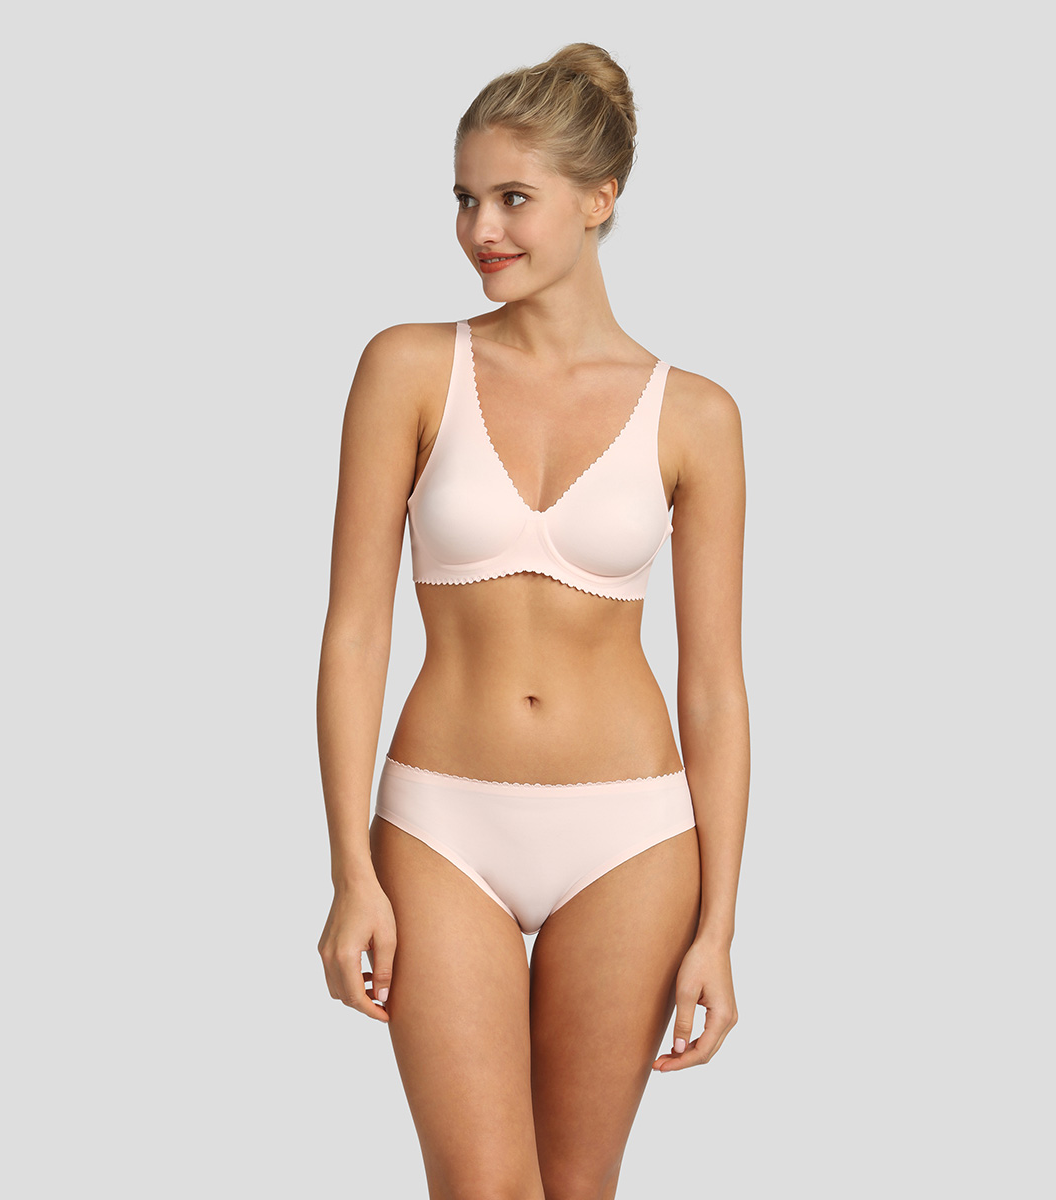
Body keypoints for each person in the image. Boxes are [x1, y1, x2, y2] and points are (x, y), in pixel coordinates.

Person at [316, 42, 749, 1199]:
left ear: (600, 200)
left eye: (514, 198)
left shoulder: (697, 416)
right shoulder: (408, 367)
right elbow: (354, 636)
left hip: (632, 837)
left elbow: (714, 686)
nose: (481, 229)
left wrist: (719, 926)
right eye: (465, 198)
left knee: (576, 1188)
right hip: (440, 822)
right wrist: (350, 870)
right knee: (482, 1188)